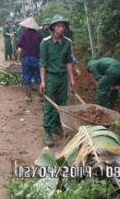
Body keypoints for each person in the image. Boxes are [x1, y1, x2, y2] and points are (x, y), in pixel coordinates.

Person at [39, 14, 75, 147]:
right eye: (59, 26)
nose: (62, 28)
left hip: (62, 78)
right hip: (51, 77)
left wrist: (72, 79)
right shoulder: (45, 43)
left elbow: (68, 62)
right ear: (53, 27)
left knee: (62, 103)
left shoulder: (67, 42)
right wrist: (42, 81)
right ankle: (48, 131)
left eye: (63, 26)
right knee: (49, 105)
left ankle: (57, 126)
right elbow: (42, 63)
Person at [17, 17, 43, 102]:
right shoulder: (39, 35)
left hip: (26, 58)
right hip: (36, 58)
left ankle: (28, 97)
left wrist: (23, 47)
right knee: (37, 76)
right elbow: (42, 46)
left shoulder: (24, 34)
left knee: (26, 75)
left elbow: (19, 44)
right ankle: (41, 96)